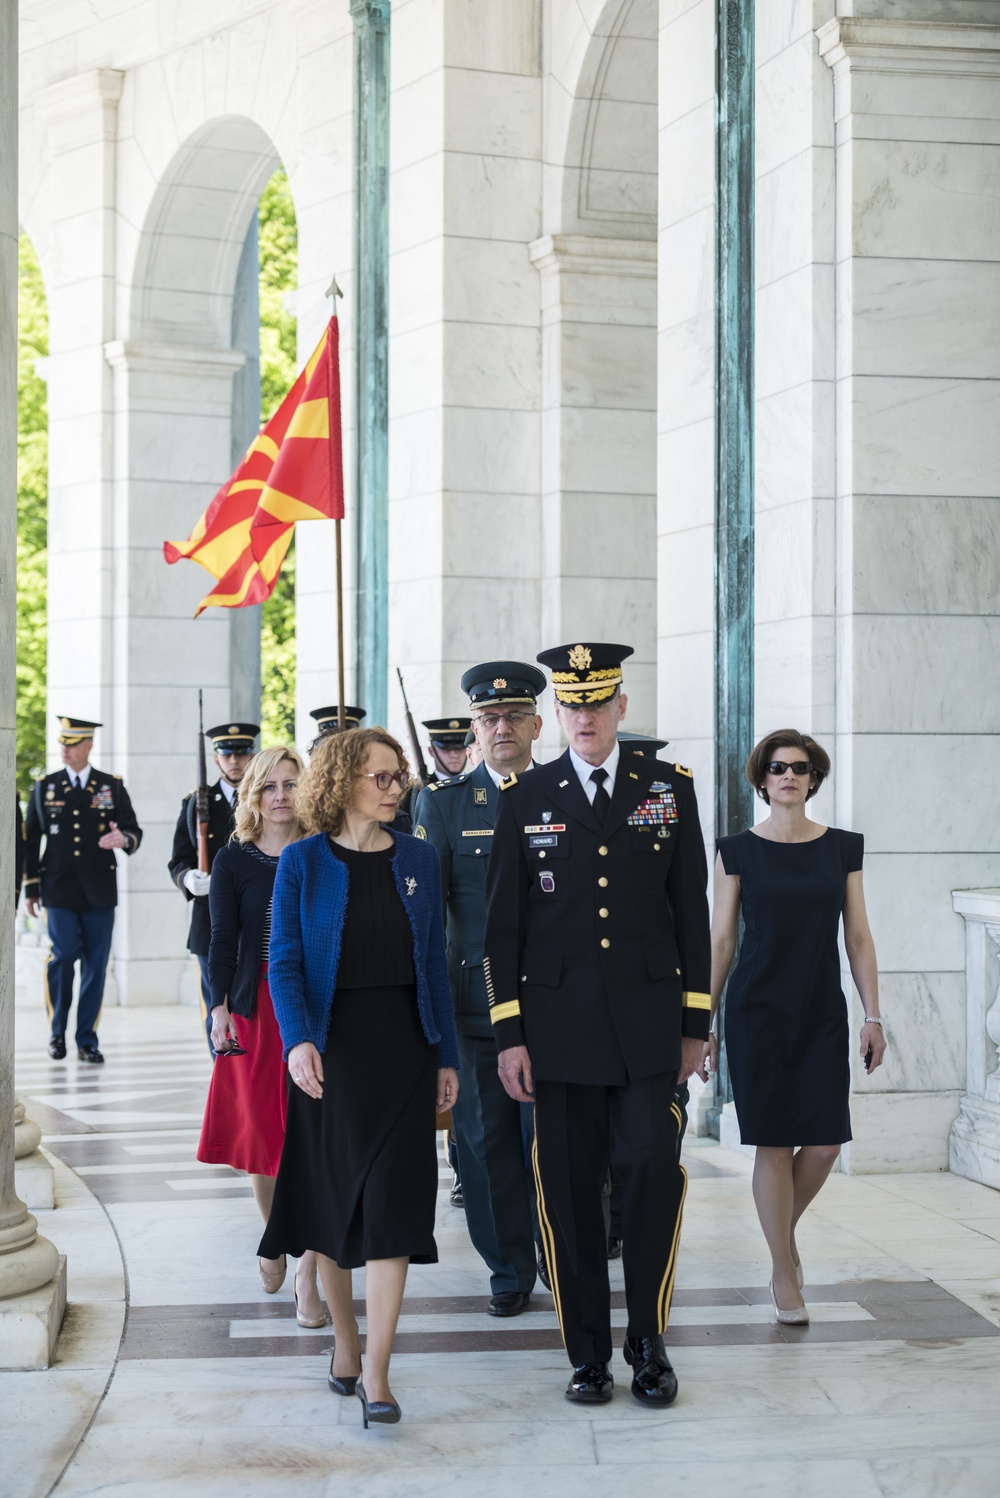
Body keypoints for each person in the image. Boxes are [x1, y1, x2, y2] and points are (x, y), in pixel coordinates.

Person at [484, 643, 710, 1407]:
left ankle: (647, 1341)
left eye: (598, 702)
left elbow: (693, 913)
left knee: (651, 1177)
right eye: (572, 705)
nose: (584, 717)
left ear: (619, 708)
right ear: (557, 715)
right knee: (570, 1192)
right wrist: (510, 1034)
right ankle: (586, 1352)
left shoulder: (667, 789)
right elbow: (501, 932)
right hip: (557, 1034)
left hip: (649, 1030)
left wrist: (696, 1024)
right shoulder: (525, 795)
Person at [259, 727, 459, 1429]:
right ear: (342, 783)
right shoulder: (304, 863)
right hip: (329, 1057)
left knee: (395, 1211)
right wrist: (298, 1041)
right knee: (336, 1210)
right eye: (381, 776)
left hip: (405, 1049)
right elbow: (282, 961)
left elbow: (434, 963)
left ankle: (377, 1369)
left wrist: (447, 1056)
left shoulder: (419, 859)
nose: (395, 786)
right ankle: (345, 1343)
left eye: (398, 775)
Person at [700, 729, 886, 1325]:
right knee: (775, 1144)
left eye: (800, 768)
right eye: (777, 767)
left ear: (813, 778)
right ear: (762, 779)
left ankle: (783, 1235)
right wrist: (701, 1020)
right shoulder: (735, 850)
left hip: (821, 1012)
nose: (788, 776)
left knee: (827, 1143)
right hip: (756, 1012)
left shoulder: (842, 848)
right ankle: (785, 1269)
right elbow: (722, 940)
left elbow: (857, 936)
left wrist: (873, 1014)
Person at [413, 660, 546, 1318]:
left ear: (536, 725)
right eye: (489, 718)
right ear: (473, 728)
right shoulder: (443, 807)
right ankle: (508, 1268)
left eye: (514, 716)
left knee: (549, 1141)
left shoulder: (566, 794)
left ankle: (557, 1249)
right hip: (474, 1008)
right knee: (489, 1145)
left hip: (555, 1005)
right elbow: (426, 914)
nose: (501, 728)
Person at [195, 745, 325, 1324]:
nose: (280, 795)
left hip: (316, 1009)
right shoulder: (233, 860)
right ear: (253, 793)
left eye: (290, 784)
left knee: (318, 1138)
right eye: (269, 786)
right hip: (253, 1009)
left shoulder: (325, 850)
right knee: (262, 1140)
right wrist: (218, 1007)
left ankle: (308, 1276)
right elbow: (222, 941)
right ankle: (275, 1235)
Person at [24, 716, 143, 1064]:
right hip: (58, 888)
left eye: (72, 743)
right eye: (62, 743)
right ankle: (56, 1032)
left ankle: (87, 1039)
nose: (65, 749)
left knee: (95, 964)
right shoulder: (45, 786)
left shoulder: (111, 786)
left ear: (89, 745)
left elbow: (133, 830)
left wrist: (125, 839)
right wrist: (31, 888)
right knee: (62, 956)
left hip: (100, 890)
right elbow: (31, 842)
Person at [168, 722, 259, 1053]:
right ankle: (223, 1070)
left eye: (242, 752)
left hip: (254, 916)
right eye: (227, 753)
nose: (235, 760)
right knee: (216, 1005)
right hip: (211, 919)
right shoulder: (197, 803)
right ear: (216, 758)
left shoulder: (263, 797)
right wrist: (189, 879)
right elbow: (177, 859)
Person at [421, 717, 471, 784]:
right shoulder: (415, 791)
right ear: (431, 751)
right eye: (445, 748)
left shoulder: (481, 786)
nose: (454, 754)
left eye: (460, 747)